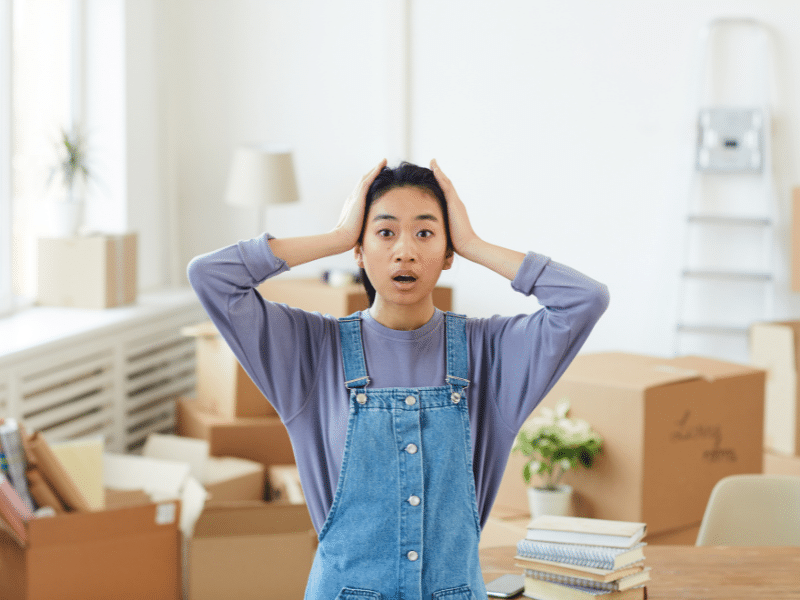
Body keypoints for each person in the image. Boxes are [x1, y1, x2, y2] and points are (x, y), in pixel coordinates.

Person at [187, 159, 609, 600]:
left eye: (425, 232)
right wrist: (334, 237)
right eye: (385, 232)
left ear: (448, 254)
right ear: (359, 248)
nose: (404, 251)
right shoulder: (312, 350)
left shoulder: (492, 352)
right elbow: (211, 277)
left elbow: (585, 300)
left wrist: (473, 243)